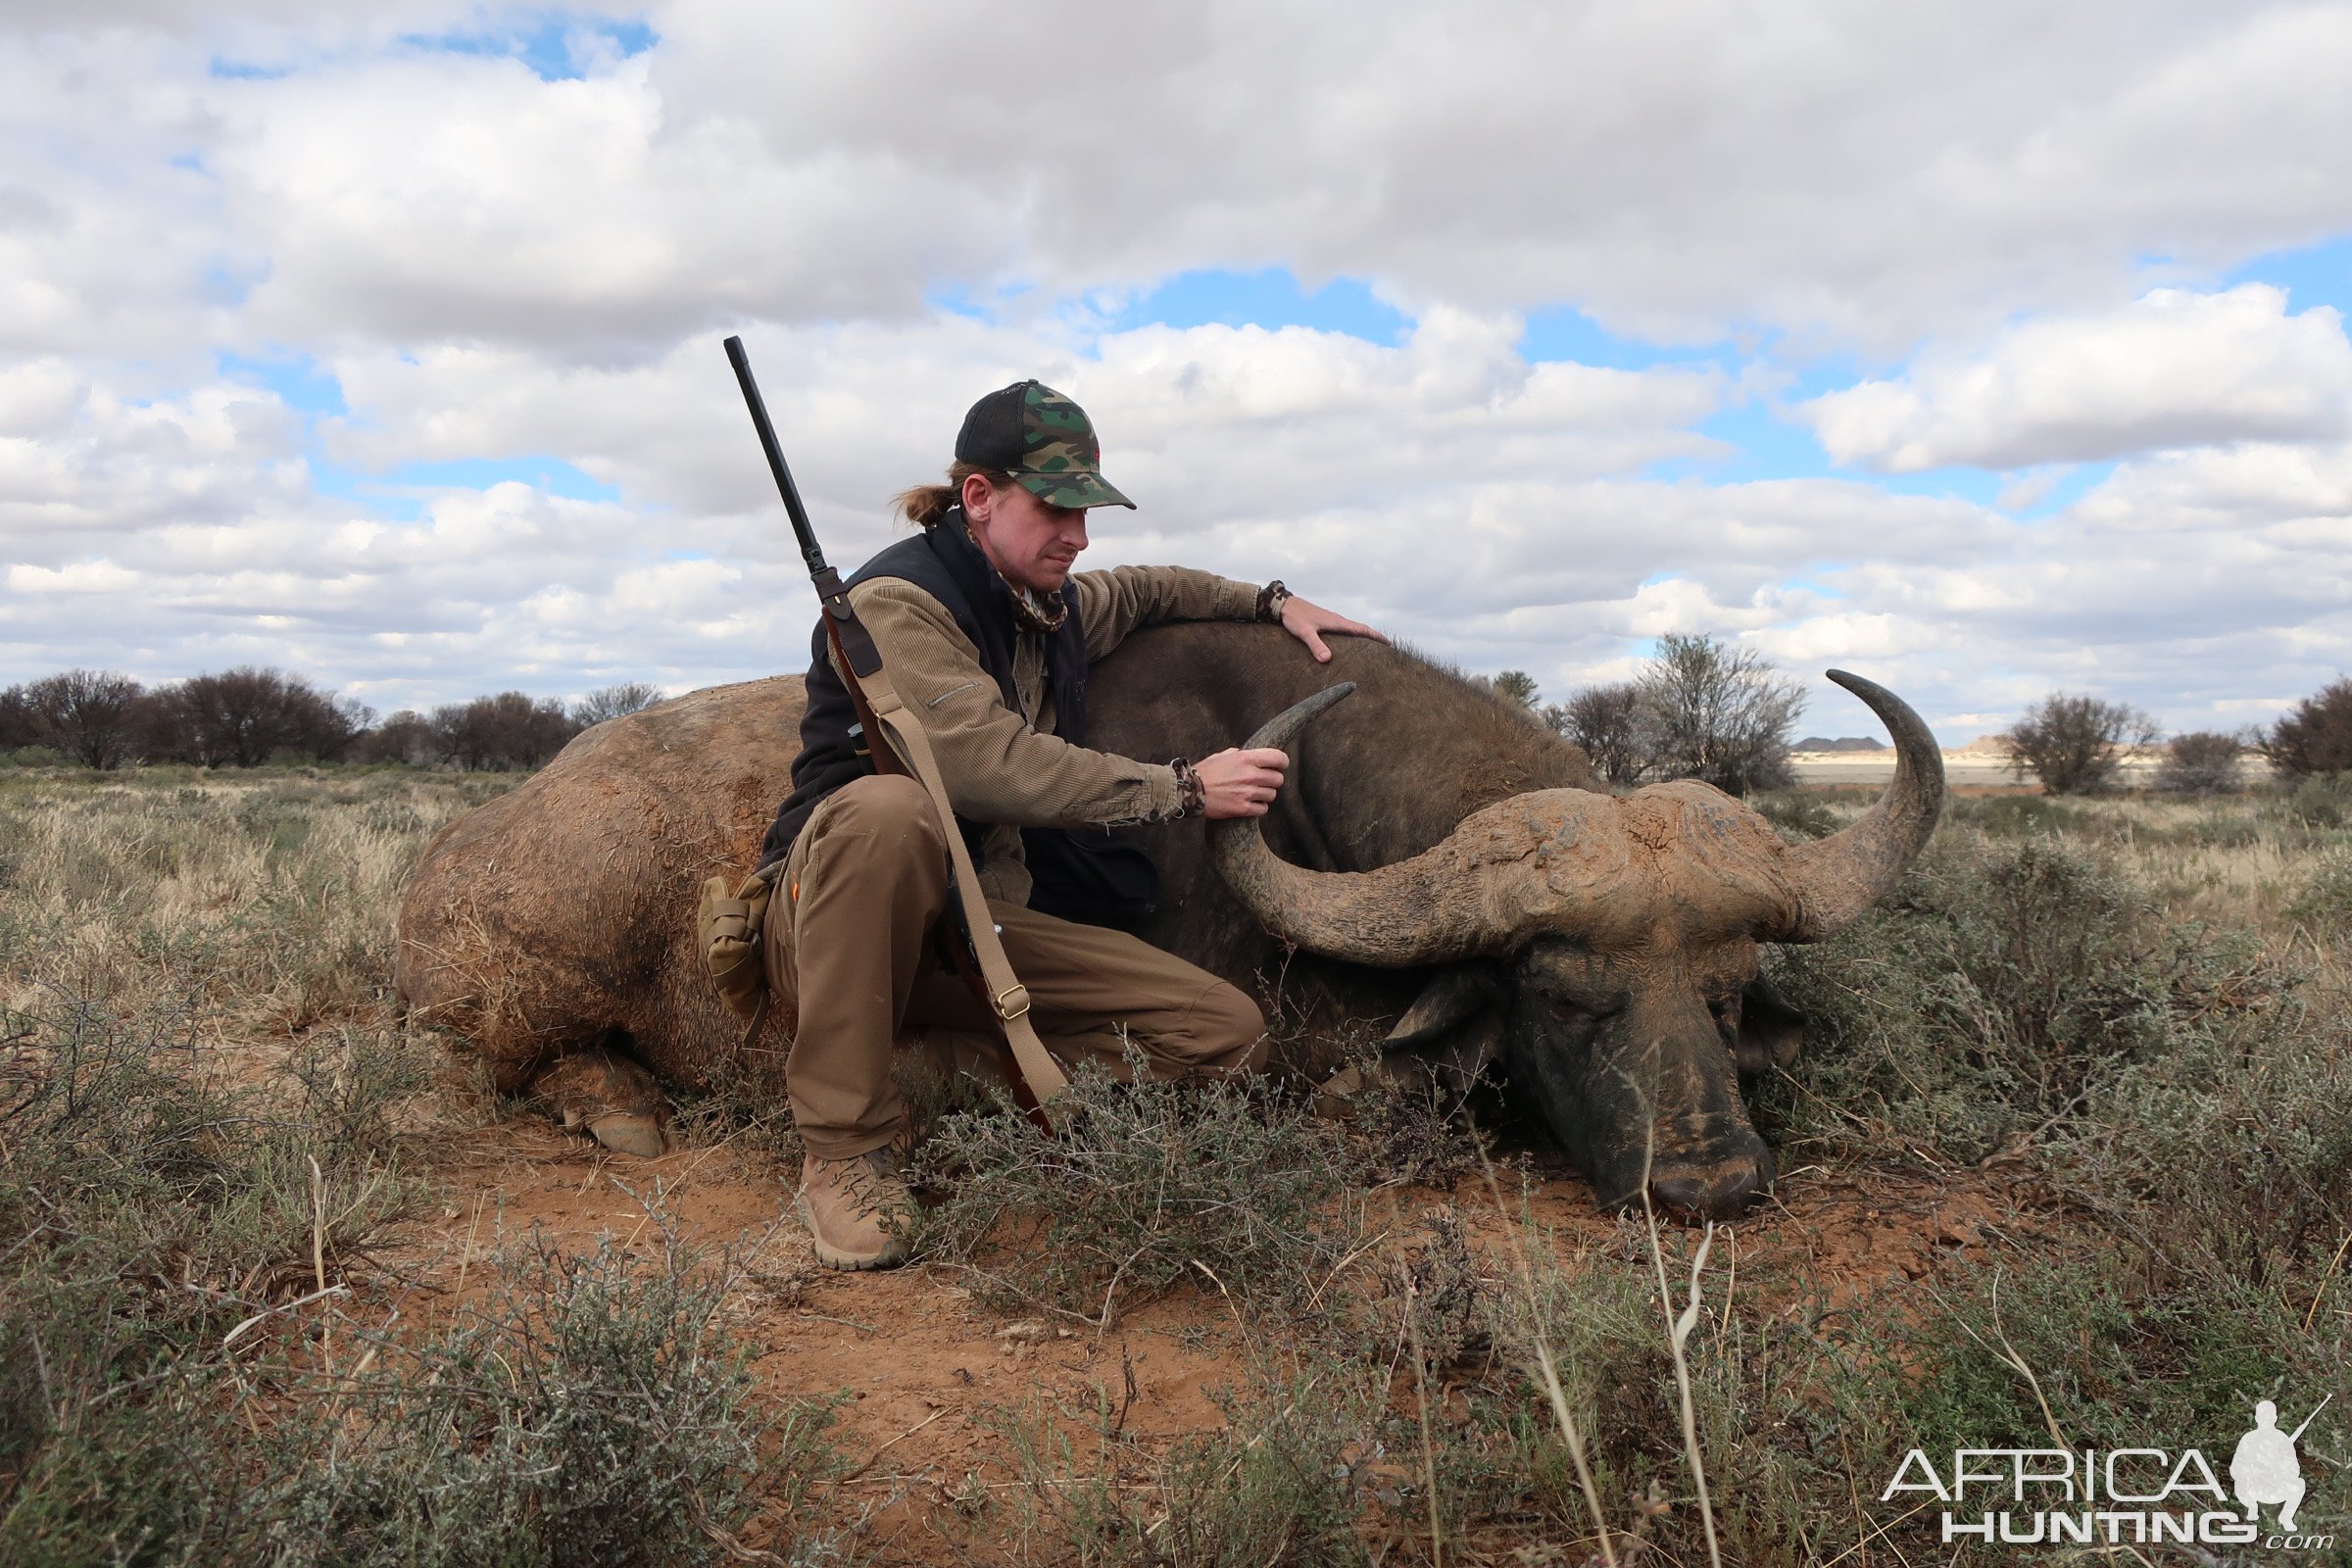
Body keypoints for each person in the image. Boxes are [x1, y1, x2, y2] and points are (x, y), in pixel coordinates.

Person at [757, 379, 1386, 1270]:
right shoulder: (899, 604)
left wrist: (1272, 601)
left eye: (1086, 512)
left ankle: (951, 1075)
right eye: (1055, 509)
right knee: (889, 815)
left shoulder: (1047, 606)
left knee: (1223, 1031)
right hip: (833, 921)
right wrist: (1183, 788)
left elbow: (1152, 589)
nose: (1078, 537)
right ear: (979, 497)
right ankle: (845, 1150)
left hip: (971, 923)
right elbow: (984, 762)